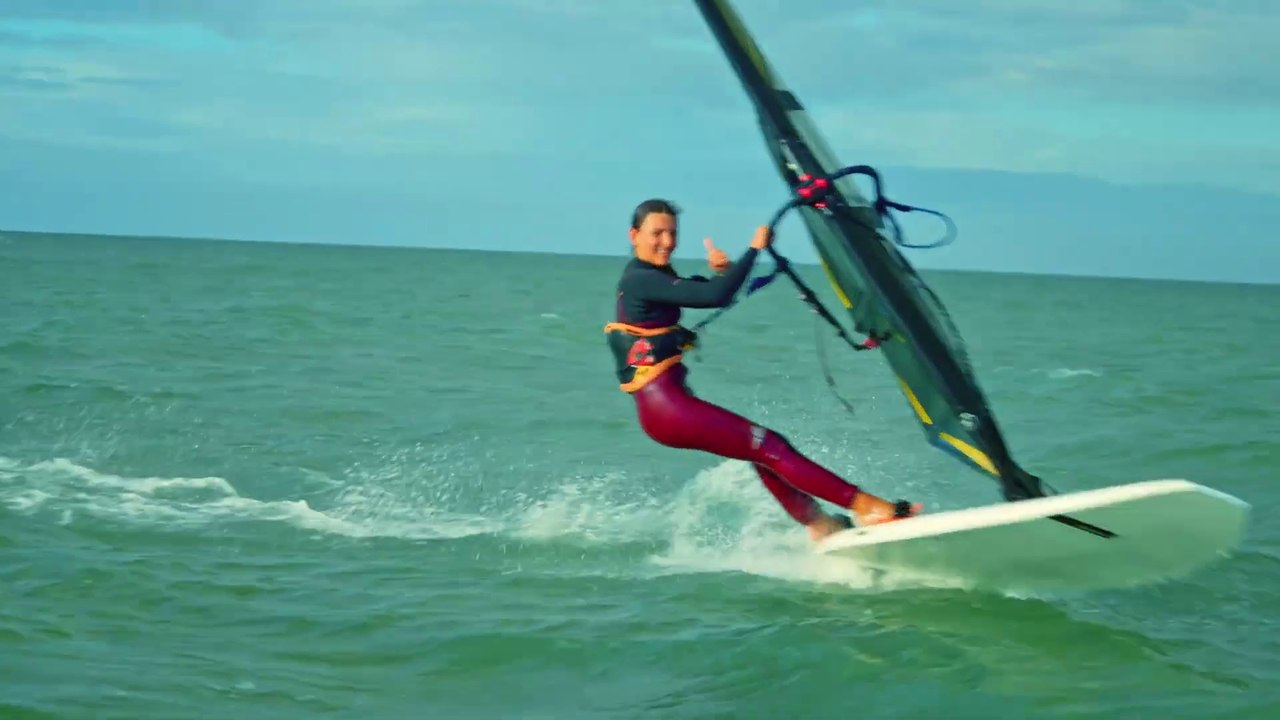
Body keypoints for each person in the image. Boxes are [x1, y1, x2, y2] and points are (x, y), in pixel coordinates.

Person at [604, 198, 921, 542]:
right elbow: (716, 296)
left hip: (664, 409)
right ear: (634, 235)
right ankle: (868, 508)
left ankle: (820, 525)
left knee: (761, 453)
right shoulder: (640, 278)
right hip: (668, 408)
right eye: (657, 233)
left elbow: (702, 289)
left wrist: (723, 273)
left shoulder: (653, 276)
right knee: (770, 446)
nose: (666, 241)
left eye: (672, 233)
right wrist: (754, 250)